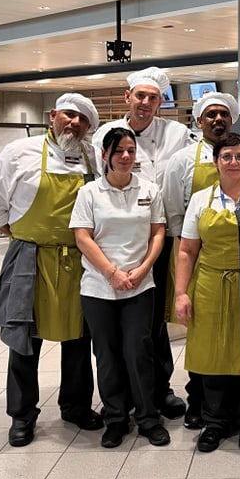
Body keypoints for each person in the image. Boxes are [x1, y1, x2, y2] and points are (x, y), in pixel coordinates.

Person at [0, 93, 103, 447]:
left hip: (80, 259)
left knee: (79, 339)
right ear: (52, 116)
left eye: (83, 120)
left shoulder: (92, 157)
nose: (74, 123)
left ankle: (76, 406)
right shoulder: (19, 153)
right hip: (31, 259)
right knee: (24, 340)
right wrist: (22, 236)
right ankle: (22, 415)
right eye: (69, 115)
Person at [93, 66, 196, 420]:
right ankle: (124, 392)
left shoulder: (178, 134)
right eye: (140, 96)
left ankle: (159, 388)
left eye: (153, 98)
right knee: (120, 327)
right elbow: (99, 184)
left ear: (160, 102)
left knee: (154, 322)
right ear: (127, 97)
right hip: (114, 241)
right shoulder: (105, 134)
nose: (146, 103)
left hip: (161, 239)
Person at [70, 128, 170, 448]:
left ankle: (148, 418)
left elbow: (158, 233)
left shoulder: (149, 190)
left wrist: (142, 269)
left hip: (140, 286)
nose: (126, 156)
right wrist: (112, 273)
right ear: (104, 155)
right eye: (118, 151)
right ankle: (115, 418)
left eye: (130, 150)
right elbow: (83, 237)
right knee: (107, 354)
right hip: (99, 288)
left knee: (139, 351)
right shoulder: (90, 193)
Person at [175, 134, 240, 453]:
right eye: (226, 156)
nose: (233, 162)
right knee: (212, 355)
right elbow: (187, 250)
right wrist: (180, 293)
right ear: (215, 162)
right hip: (210, 285)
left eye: (239, 157)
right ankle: (215, 421)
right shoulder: (201, 200)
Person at [163, 91, 238, 429]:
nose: (217, 120)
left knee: (237, 334)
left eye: (223, 114)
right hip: (196, 259)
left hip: (237, 262)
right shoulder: (182, 160)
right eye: (211, 115)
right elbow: (174, 211)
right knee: (201, 334)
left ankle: (237, 402)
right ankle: (198, 401)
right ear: (198, 121)